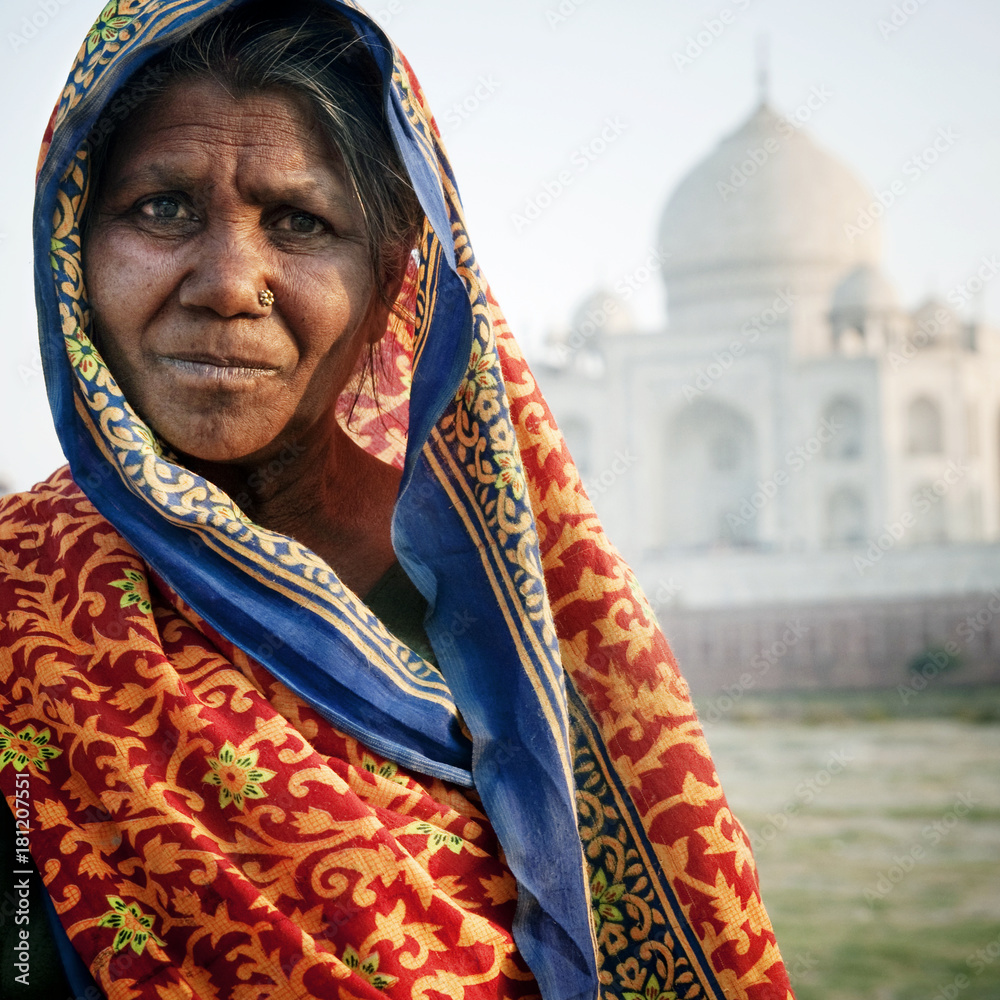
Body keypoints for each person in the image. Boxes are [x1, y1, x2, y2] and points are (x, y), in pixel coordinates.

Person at [0, 1, 795, 998]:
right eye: (161, 209)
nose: (228, 282)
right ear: (71, 246)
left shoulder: (511, 595)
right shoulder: (25, 597)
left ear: (389, 283)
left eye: (298, 222)